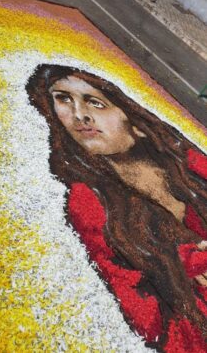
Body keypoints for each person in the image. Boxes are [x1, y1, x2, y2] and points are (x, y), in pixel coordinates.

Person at [27, 64, 207, 351]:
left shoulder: (187, 163)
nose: (79, 115)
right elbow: (143, 312)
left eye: (95, 102)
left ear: (132, 118)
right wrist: (172, 264)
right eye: (62, 99)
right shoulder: (89, 201)